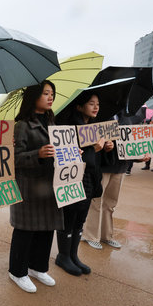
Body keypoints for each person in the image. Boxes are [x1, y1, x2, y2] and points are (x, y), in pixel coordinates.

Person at [8, 80, 62, 293]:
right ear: (34, 97)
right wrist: (37, 154)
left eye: (52, 94)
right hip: (29, 187)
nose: (50, 97)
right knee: (25, 231)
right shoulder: (22, 125)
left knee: (46, 229)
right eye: (46, 93)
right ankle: (17, 271)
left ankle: (38, 267)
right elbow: (14, 158)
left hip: (49, 186)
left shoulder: (53, 123)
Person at [55, 93, 113, 276]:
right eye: (91, 104)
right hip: (73, 179)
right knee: (70, 217)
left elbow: (97, 158)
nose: (96, 107)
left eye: (97, 104)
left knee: (81, 217)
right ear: (79, 106)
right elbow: (68, 156)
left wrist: (106, 148)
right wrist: (92, 149)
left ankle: (73, 255)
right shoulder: (69, 126)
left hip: (90, 178)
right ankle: (63, 256)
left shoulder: (94, 127)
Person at [83, 111, 150, 249]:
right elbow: (89, 142)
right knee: (97, 201)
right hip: (102, 165)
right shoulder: (100, 116)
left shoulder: (127, 117)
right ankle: (91, 235)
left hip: (120, 166)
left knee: (111, 203)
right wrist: (104, 146)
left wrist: (139, 157)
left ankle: (106, 236)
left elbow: (129, 143)